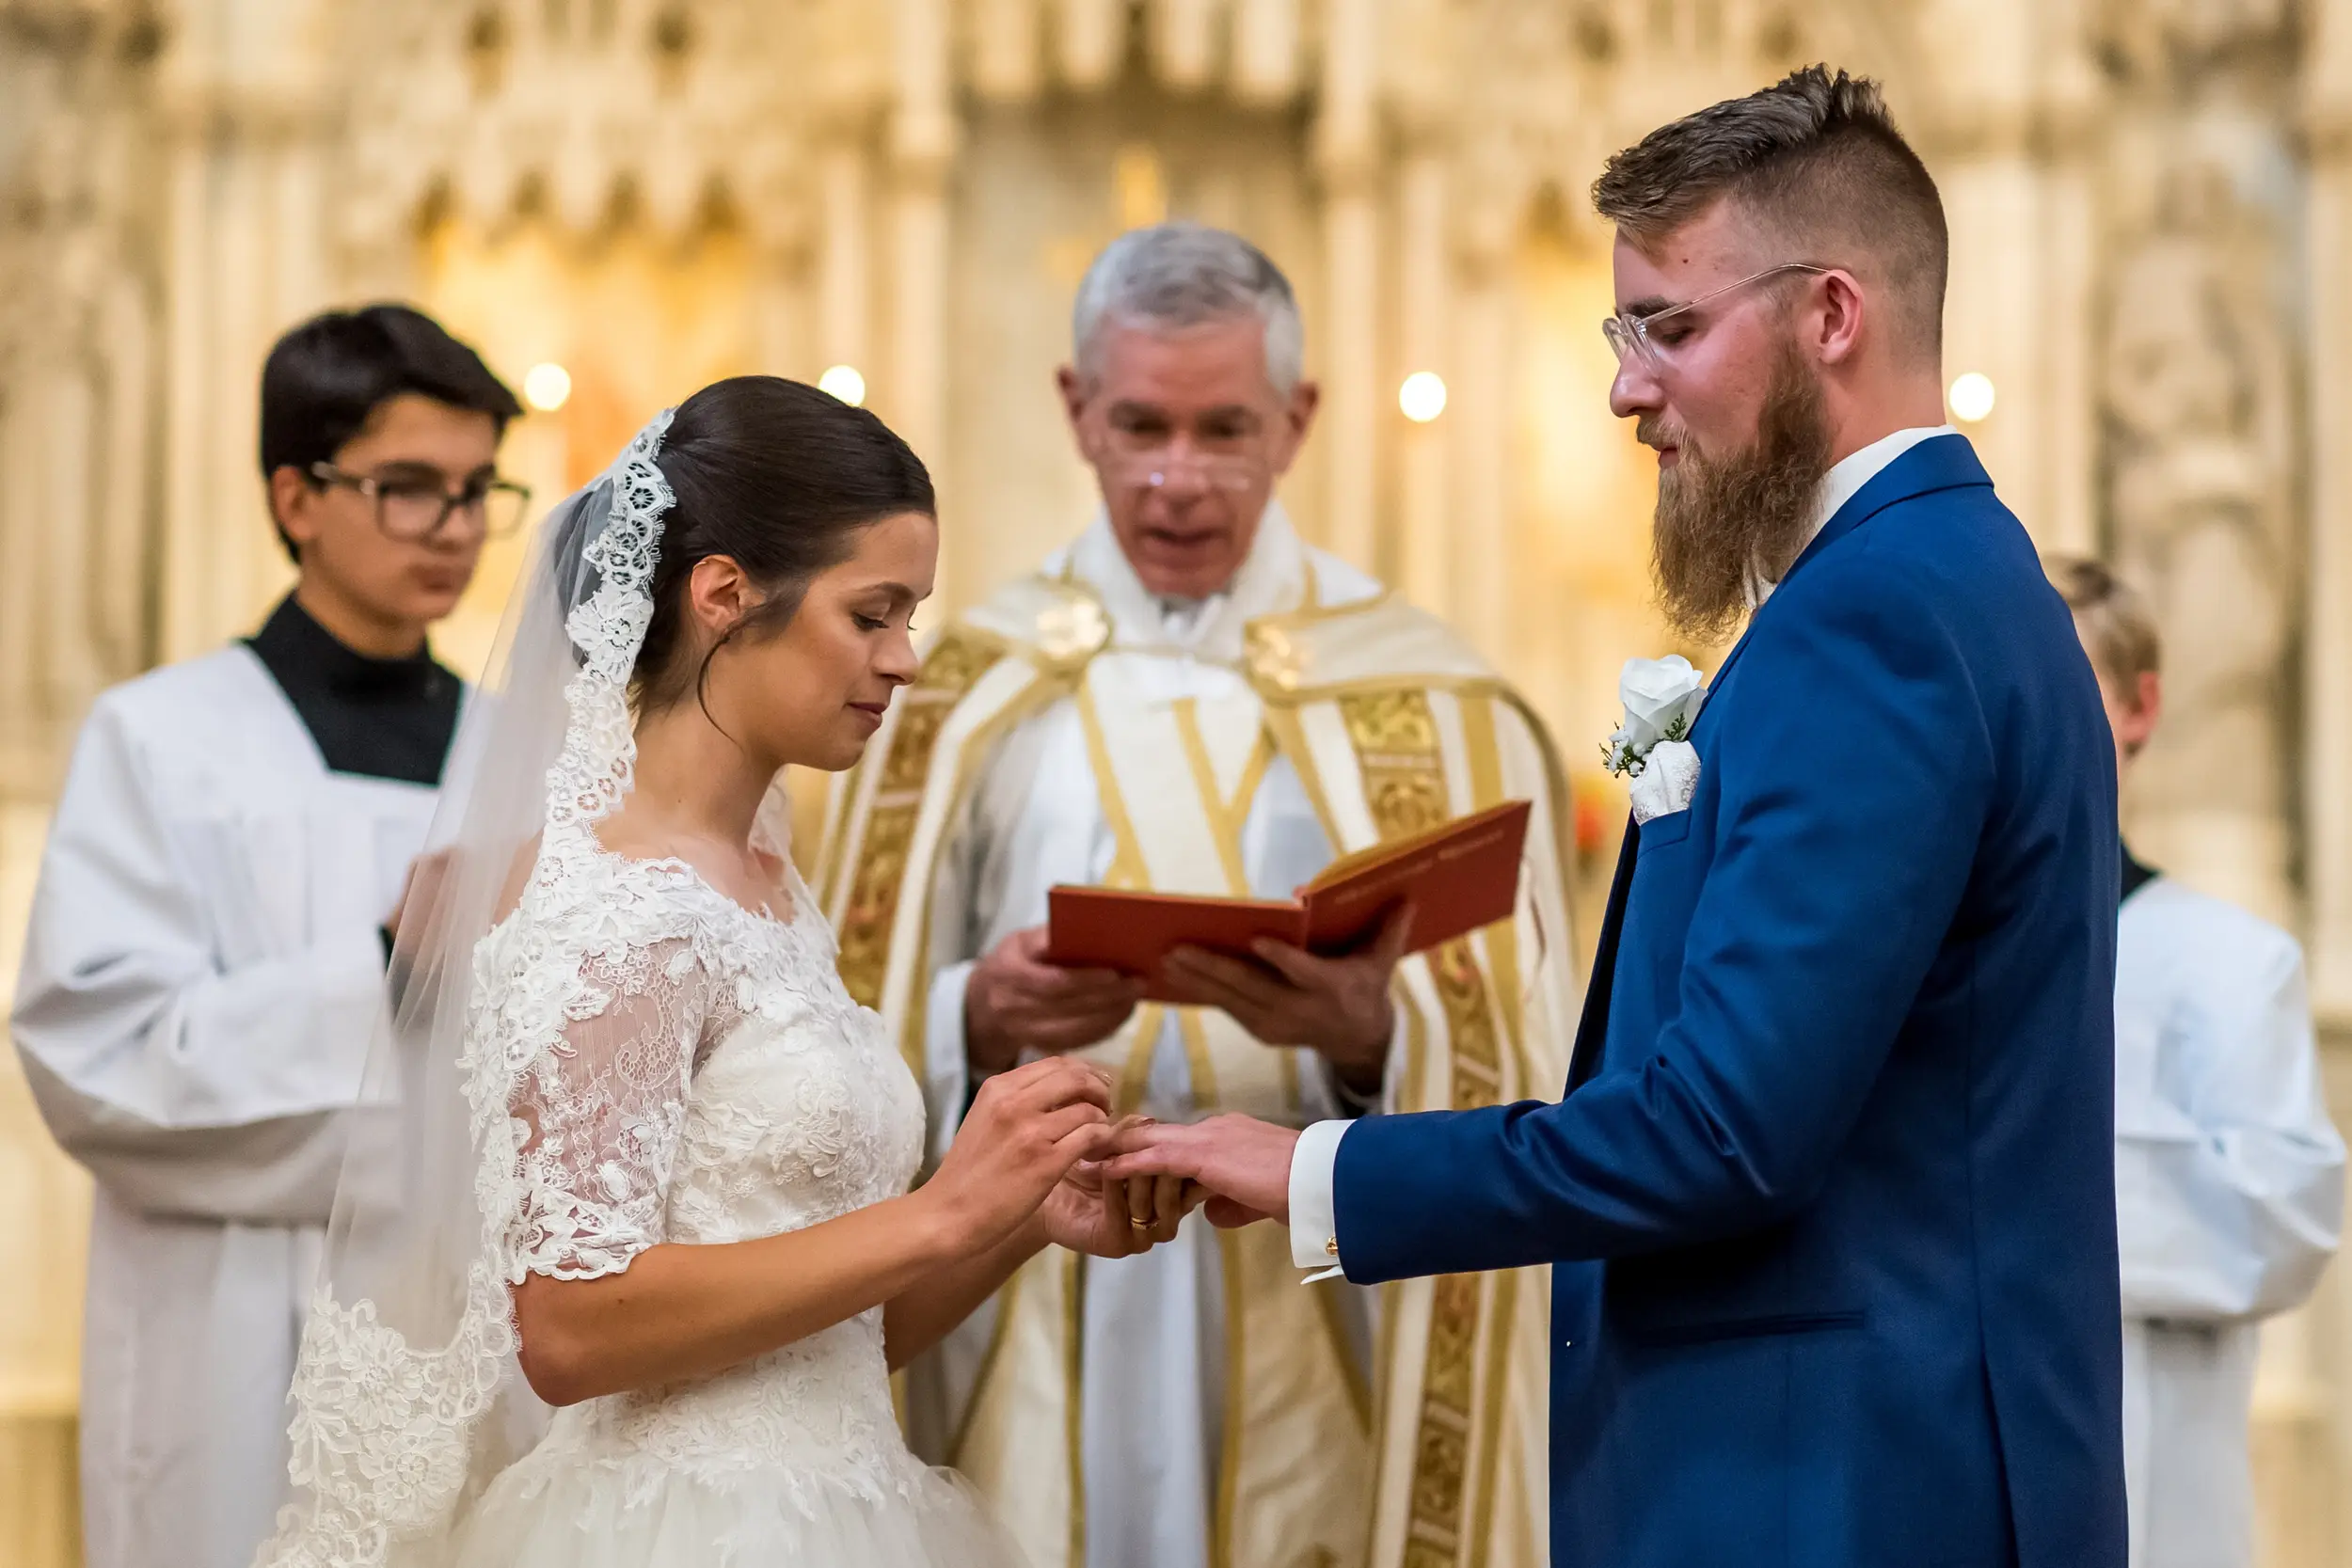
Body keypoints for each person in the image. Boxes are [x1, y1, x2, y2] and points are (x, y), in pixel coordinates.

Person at [1105, 68, 2132, 1568]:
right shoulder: (1949, 581)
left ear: (1830, 314)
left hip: (1830, 1484)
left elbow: (1726, 1129)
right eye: (1622, 330)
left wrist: (1316, 1169)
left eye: (1670, 326)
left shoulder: (1882, 621)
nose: (1624, 385)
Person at [251, 374, 1184, 1568]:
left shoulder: (766, 882)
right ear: (726, 596)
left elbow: (832, 1341)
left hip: (841, 1506)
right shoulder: (620, 904)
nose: (904, 660)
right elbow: (573, 1327)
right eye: (872, 612)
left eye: (913, 615)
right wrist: (940, 1206)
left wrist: (1008, 1219)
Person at [815, 222, 1577, 1568]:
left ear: (1296, 420)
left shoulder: (1431, 702)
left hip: (1308, 1280)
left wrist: (1364, 1036)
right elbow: (834, 1028)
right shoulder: (959, 693)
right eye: (1141, 424)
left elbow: (1524, 1065)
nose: (1178, 479)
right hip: (1031, 1292)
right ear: (1076, 410)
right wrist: (974, 1013)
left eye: (1223, 429)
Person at [10, 303, 523, 1568]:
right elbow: (100, 1054)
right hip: (228, 1336)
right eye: (409, 488)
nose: (454, 528)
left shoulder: (528, 751)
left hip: (470, 1337)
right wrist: (386, 963)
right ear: (296, 495)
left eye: (476, 490)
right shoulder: (162, 736)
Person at [2047, 555, 2343, 1568]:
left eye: (2065, 687)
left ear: (2140, 707)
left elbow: (2285, 1214)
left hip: (2159, 1496)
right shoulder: (1914, 961)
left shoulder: (2232, 961)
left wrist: (2009, 1176)